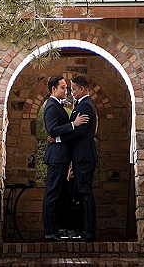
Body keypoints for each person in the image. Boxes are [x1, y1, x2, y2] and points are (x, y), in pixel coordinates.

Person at [42, 75, 88, 241]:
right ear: (53, 89)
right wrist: (73, 125)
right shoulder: (52, 106)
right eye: (62, 87)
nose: (66, 90)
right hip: (56, 157)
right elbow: (52, 130)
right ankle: (49, 232)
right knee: (52, 194)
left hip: (61, 157)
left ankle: (54, 230)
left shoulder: (57, 106)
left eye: (67, 88)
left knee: (57, 194)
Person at [68, 75, 98, 242]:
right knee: (82, 193)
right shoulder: (80, 105)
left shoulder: (86, 106)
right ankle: (85, 229)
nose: (71, 92)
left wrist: (59, 137)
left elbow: (79, 132)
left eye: (73, 89)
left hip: (84, 156)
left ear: (82, 89)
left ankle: (89, 231)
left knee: (85, 193)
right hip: (80, 157)